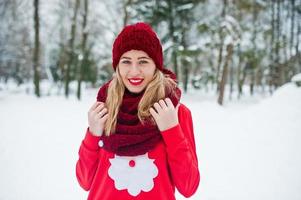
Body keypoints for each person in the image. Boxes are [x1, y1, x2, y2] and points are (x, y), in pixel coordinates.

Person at [76, 22, 200, 200]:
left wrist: (171, 130)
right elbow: (85, 181)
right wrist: (93, 135)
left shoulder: (176, 112)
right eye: (126, 61)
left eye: (143, 61)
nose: (134, 71)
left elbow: (188, 187)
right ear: (117, 65)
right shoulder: (104, 108)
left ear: (155, 65)